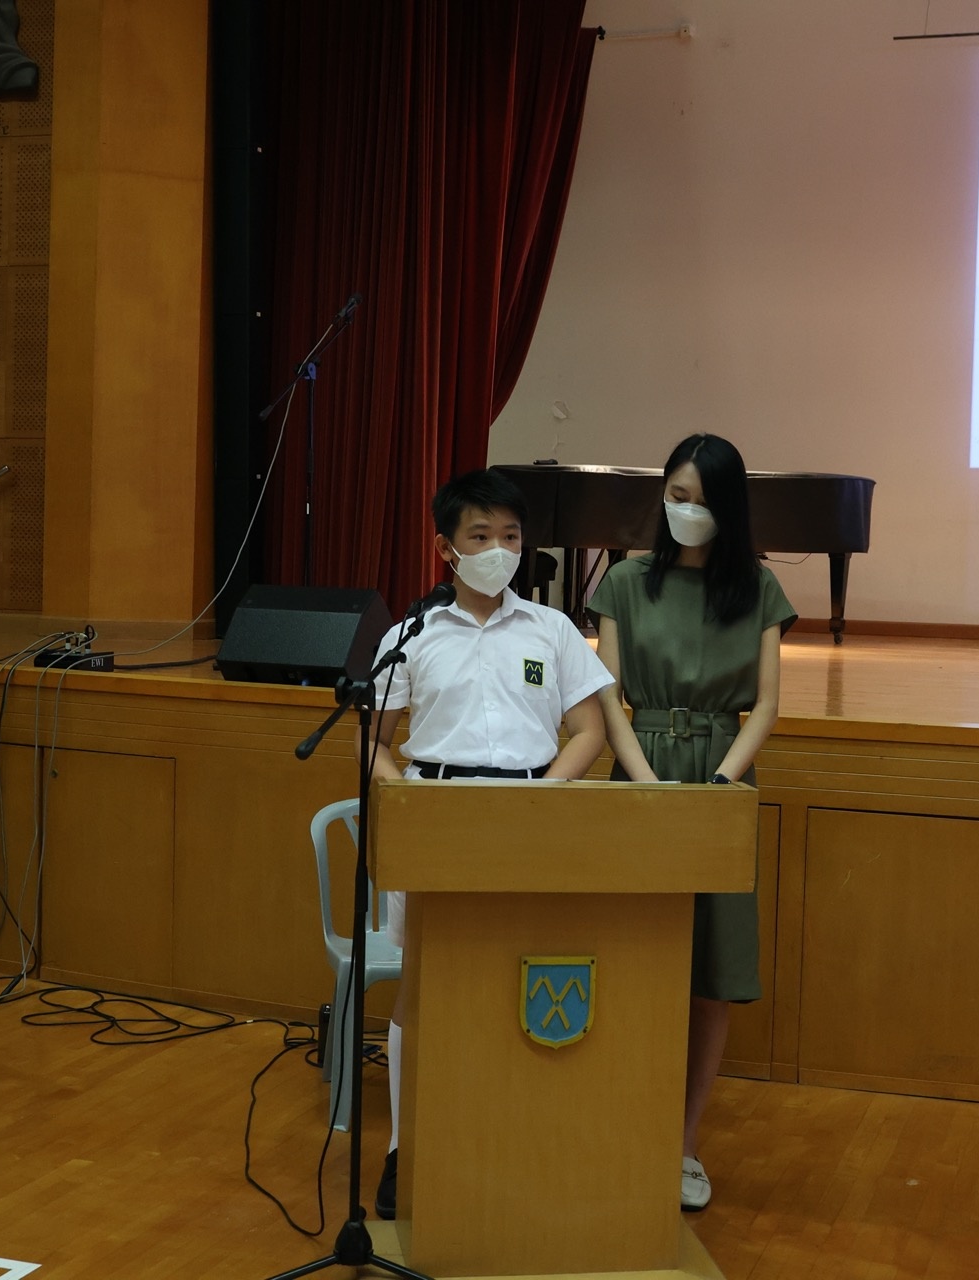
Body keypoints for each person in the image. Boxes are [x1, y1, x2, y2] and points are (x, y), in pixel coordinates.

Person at [362, 467, 612, 1219]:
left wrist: (542, 798)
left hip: (530, 817)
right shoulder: (411, 635)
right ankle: (406, 1147)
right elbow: (374, 740)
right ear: (447, 548)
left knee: (517, 977)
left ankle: (508, 1136)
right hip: (436, 817)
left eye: (510, 535)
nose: (499, 549)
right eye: (480, 536)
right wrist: (403, 797)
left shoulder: (552, 629)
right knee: (424, 985)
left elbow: (590, 730)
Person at [587, 433, 795, 1212]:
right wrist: (646, 785)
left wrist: (716, 785)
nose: (687, 510)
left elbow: (765, 706)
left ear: (728, 508)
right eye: (677, 495)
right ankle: (621, 1127)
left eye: (703, 500)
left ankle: (681, 1145)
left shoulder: (759, 588)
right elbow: (609, 699)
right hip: (640, 772)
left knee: (710, 974)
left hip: (719, 777)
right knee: (633, 954)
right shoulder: (624, 582)